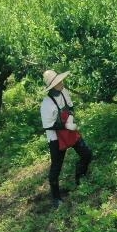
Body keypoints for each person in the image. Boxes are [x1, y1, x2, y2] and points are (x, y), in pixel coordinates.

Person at [40, 70, 93, 209]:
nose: (61, 83)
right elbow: (48, 126)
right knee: (56, 167)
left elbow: (70, 106)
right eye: (58, 82)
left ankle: (80, 176)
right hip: (56, 138)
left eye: (61, 80)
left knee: (87, 153)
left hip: (69, 132)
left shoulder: (64, 92)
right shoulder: (46, 104)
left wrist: (71, 116)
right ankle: (56, 197)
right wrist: (65, 125)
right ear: (52, 86)